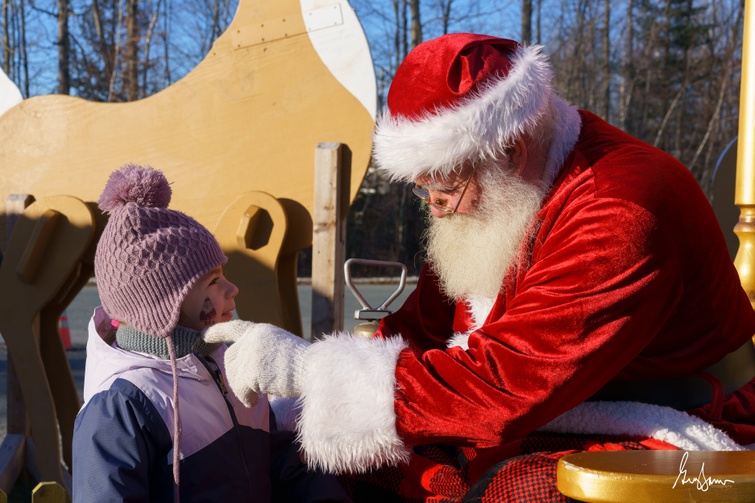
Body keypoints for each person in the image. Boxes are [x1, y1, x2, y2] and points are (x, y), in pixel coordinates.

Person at [202, 33, 755, 502]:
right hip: (557, 406)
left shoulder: (624, 204)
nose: (436, 207)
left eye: (445, 188)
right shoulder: (506, 195)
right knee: (333, 466)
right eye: (424, 192)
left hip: (680, 416)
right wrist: (294, 403)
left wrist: (309, 372)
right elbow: (423, 326)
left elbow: (510, 380)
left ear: (512, 146)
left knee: (507, 490)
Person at [72, 163, 351, 502]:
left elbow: (283, 465)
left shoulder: (232, 367)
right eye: (214, 281)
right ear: (164, 304)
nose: (233, 290)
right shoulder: (121, 407)